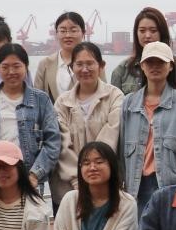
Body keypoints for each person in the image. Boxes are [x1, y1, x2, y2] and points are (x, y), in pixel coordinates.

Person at [119, 42, 176, 215]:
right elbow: (121, 149)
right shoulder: (128, 103)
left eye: (161, 62)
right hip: (136, 187)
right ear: (142, 66)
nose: (155, 66)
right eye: (150, 62)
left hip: (172, 186)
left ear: (171, 66)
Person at [0, 43, 61, 191]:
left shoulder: (41, 100)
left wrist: (35, 174)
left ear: (26, 67)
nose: (11, 71)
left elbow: (53, 141)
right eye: (5, 67)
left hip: (29, 178)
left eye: (16, 66)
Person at [52, 42, 124, 205]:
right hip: (70, 189)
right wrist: (77, 180)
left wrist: (94, 170)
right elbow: (61, 144)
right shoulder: (62, 102)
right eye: (79, 64)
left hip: (106, 187)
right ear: (72, 67)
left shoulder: (114, 96)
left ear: (101, 66)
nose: (85, 69)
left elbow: (111, 135)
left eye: (90, 63)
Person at [110, 7, 176, 96]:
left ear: (162, 33)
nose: (147, 35)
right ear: (136, 33)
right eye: (142, 31)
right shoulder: (122, 70)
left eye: (153, 31)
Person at [35, 11, 95, 101]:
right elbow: (37, 98)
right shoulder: (45, 64)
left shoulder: (94, 63)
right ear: (56, 34)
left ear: (83, 33)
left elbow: (103, 95)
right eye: (62, 31)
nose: (68, 35)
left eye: (73, 31)